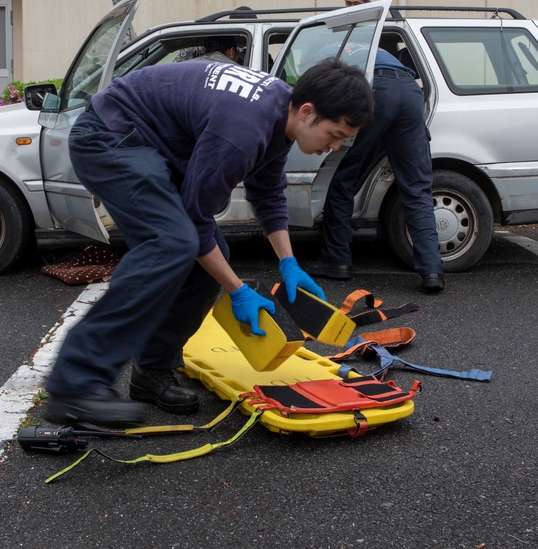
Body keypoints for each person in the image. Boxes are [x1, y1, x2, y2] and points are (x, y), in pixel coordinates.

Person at [44, 58, 375, 427]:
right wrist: (236, 290)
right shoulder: (242, 130)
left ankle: (153, 369)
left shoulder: (283, 112)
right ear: (308, 112)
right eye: (334, 135)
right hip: (110, 136)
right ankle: (76, 384)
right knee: (172, 243)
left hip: (150, 146)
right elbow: (197, 217)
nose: (333, 147)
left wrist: (288, 262)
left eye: (342, 141)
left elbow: (267, 192)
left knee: (204, 263)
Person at [305, 0, 445, 293]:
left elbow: (312, 84)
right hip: (409, 93)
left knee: (342, 179)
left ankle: (337, 261)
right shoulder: (377, 46)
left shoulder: (334, 47)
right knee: (417, 188)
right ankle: (432, 271)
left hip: (375, 92)